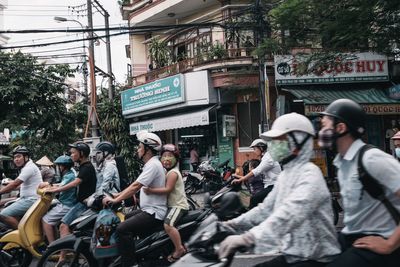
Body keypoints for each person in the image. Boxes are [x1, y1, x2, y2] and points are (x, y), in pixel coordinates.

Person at [218, 113, 341, 267]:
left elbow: (288, 215)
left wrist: (248, 238)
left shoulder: (310, 175)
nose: (273, 145)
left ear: (296, 144)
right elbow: (265, 209)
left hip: (315, 258)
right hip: (293, 255)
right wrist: (230, 224)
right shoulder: (286, 175)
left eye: (279, 140)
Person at [318, 99, 400, 267]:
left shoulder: (372, 159)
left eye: (325, 126)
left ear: (341, 128)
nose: (321, 132)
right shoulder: (342, 163)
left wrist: (390, 244)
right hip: (351, 238)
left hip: (381, 243)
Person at [102, 131, 167, 267]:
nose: (138, 150)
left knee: (122, 229)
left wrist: (116, 200)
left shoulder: (153, 165)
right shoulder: (151, 164)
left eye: (139, 147)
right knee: (126, 217)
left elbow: (136, 186)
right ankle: (140, 249)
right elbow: (134, 185)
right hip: (148, 209)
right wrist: (117, 195)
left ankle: (130, 263)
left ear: (147, 149)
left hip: (154, 212)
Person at [45, 141, 96, 262]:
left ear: (81, 154)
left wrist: (56, 189)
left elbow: (75, 183)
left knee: (63, 226)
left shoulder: (87, 167)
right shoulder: (83, 167)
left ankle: (63, 257)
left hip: (83, 205)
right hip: (80, 203)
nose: (71, 155)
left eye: (73, 153)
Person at [143, 144, 189, 263]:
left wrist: (150, 191)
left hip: (178, 206)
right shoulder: (167, 172)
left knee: (168, 225)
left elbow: (167, 189)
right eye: (164, 156)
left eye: (170, 156)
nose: (167, 159)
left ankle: (179, 249)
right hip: (171, 205)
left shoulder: (173, 173)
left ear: (176, 159)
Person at [0, 146, 42, 229]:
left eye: (19, 156)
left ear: (26, 157)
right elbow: (19, 185)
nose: (16, 159)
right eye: (15, 157)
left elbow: (15, 184)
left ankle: (23, 235)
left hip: (31, 200)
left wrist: (1, 191)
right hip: (25, 198)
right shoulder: (27, 167)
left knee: (3, 214)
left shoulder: (29, 168)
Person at [232, 138, 281, 207]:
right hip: (268, 186)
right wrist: (239, 177)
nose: (254, 151)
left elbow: (256, 171)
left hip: (273, 186)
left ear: (261, 148)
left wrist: (240, 180)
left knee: (253, 199)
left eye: (254, 149)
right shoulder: (265, 158)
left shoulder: (268, 159)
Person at [40, 155, 77, 244]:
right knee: (51, 221)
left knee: (46, 220)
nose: (58, 168)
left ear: (63, 166)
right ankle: (56, 243)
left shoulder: (69, 176)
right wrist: (48, 185)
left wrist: (48, 188)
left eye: (59, 166)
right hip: (65, 203)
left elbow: (60, 186)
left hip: (67, 205)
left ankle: (52, 246)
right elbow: (59, 184)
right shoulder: (69, 174)